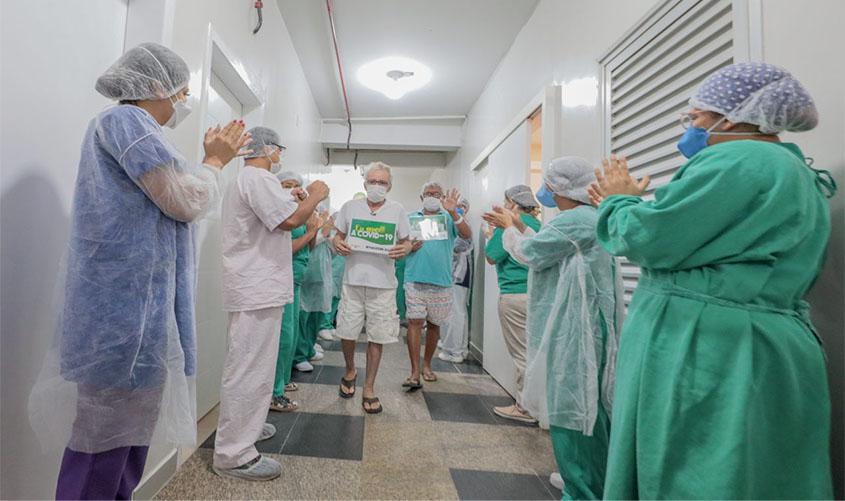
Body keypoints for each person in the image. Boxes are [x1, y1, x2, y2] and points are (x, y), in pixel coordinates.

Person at [588, 62, 835, 499]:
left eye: (696, 117)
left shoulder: (740, 159)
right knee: (752, 472)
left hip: (707, 347)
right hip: (763, 342)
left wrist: (618, 200)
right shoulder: (794, 172)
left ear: (736, 116)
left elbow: (647, 236)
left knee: (691, 471)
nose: (690, 128)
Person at [27, 43, 250, 500]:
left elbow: (178, 197)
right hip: (120, 325)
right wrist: (213, 162)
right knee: (100, 452)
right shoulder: (123, 121)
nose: (182, 102)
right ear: (152, 85)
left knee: (125, 447)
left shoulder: (141, 130)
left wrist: (207, 166)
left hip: (137, 325)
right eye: (181, 92)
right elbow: (186, 200)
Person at [484, 157, 622, 500]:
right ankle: (589, 478)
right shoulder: (583, 219)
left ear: (560, 188)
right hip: (587, 327)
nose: (543, 190)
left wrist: (510, 229)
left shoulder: (576, 220)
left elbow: (531, 252)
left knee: (572, 410)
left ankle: (582, 488)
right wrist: (519, 224)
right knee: (590, 408)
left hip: (578, 332)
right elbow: (550, 244)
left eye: (548, 183)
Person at [214, 127, 329, 481]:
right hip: (256, 287)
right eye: (279, 149)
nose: (281, 155)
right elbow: (290, 220)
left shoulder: (251, 181)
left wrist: (294, 196)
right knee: (248, 368)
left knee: (256, 367)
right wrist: (316, 195)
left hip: (257, 287)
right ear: (268, 149)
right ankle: (234, 455)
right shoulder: (257, 177)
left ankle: (247, 429)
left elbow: (279, 212)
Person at [332, 162, 413, 414]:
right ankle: (350, 370)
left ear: (389, 186)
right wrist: (337, 242)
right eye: (373, 181)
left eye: (382, 182)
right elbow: (337, 235)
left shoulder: (397, 210)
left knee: (377, 336)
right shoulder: (350, 207)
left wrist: (406, 248)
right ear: (365, 183)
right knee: (347, 332)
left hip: (383, 284)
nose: (377, 186)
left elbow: (407, 241)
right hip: (353, 280)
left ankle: (369, 387)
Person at [403, 182, 472, 389]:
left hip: (441, 281)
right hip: (414, 278)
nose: (432, 196)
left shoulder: (448, 217)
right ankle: (414, 371)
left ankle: (427, 365)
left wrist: (454, 213)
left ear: (442, 197)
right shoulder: (410, 218)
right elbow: (399, 242)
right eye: (428, 193)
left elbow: (466, 235)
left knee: (434, 325)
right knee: (414, 322)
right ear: (421, 196)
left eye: (436, 194)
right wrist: (408, 246)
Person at [483, 185, 541, 424]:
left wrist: (492, 236)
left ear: (514, 204)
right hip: (537, 296)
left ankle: (525, 407)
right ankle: (537, 404)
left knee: (522, 354)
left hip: (514, 295)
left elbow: (491, 256)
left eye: (506, 201)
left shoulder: (507, 223)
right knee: (535, 352)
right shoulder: (538, 226)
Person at [269, 171, 323, 412]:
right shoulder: (281, 215)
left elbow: (309, 247)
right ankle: (274, 392)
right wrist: (311, 232)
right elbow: (286, 248)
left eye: (295, 185)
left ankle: (282, 381)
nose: (292, 189)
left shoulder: (297, 212)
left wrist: (312, 227)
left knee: (289, 335)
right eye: (286, 185)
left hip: (296, 280)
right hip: (283, 278)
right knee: (282, 336)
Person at [296, 203, 335, 366]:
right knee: (302, 317)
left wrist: (332, 235)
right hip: (306, 275)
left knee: (316, 315)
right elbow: (305, 244)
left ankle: (309, 348)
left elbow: (332, 248)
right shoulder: (301, 220)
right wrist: (323, 233)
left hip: (320, 275)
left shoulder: (321, 220)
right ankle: (299, 355)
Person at [439, 197, 474, 363]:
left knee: (456, 312)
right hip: (452, 274)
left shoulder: (463, 228)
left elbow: (456, 247)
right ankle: (455, 347)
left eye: (461, 207)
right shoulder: (451, 226)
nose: (458, 209)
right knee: (453, 312)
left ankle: (456, 351)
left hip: (459, 275)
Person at [318, 216, 346, 341]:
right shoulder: (335, 229)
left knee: (336, 297)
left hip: (342, 270)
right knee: (329, 296)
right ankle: (322, 325)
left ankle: (329, 324)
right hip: (333, 267)